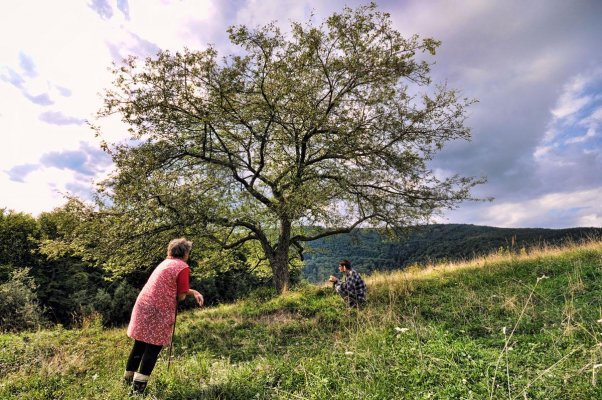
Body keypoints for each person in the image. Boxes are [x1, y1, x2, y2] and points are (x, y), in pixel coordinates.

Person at [123, 238, 204, 394]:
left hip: (143, 306)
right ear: (185, 253)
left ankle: (126, 383)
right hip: (158, 311)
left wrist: (193, 292)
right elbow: (180, 296)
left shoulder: (165, 263)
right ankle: (137, 392)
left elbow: (173, 286)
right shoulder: (182, 267)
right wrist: (186, 294)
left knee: (139, 345)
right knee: (153, 348)